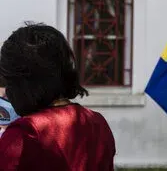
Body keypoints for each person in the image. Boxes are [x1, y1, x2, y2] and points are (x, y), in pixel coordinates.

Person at [0, 23, 116, 170]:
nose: (8, 93)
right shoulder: (97, 123)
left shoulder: (26, 133)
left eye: (9, 81)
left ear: (24, 81)